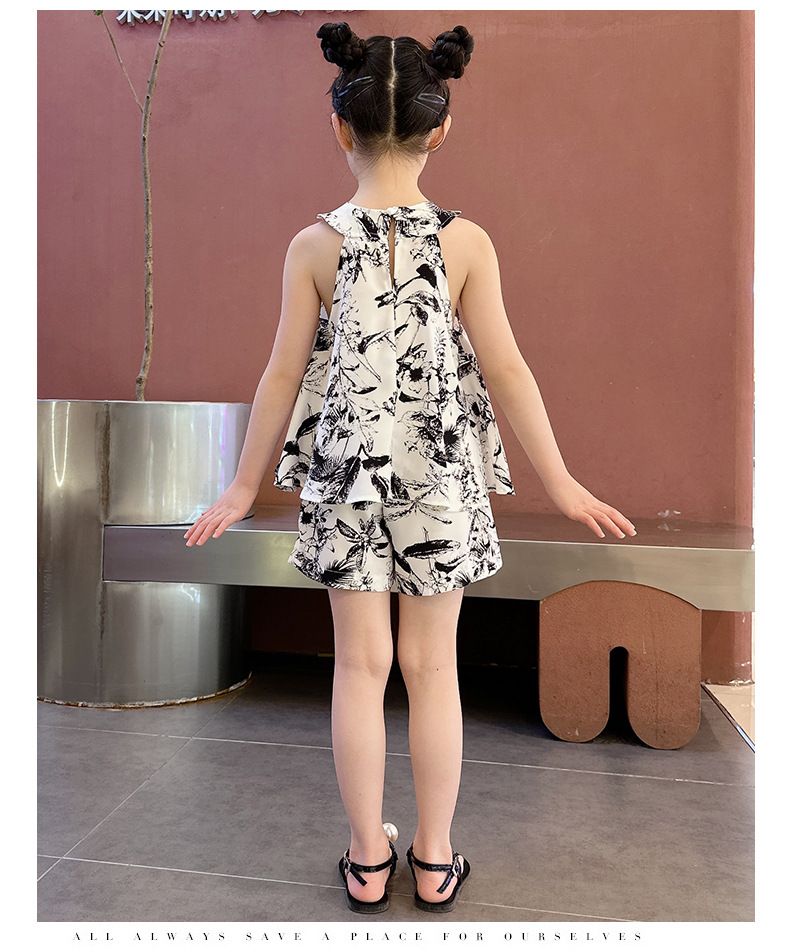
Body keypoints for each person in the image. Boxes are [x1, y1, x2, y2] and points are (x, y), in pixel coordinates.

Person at [185, 21, 637, 916]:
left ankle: (366, 860)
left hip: (344, 478)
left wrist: (243, 484)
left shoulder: (312, 246)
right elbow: (508, 369)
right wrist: (560, 481)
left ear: (339, 129)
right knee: (433, 668)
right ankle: (432, 860)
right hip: (441, 477)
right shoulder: (467, 243)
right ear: (441, 130)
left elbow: (281, 374)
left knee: (359, 669)